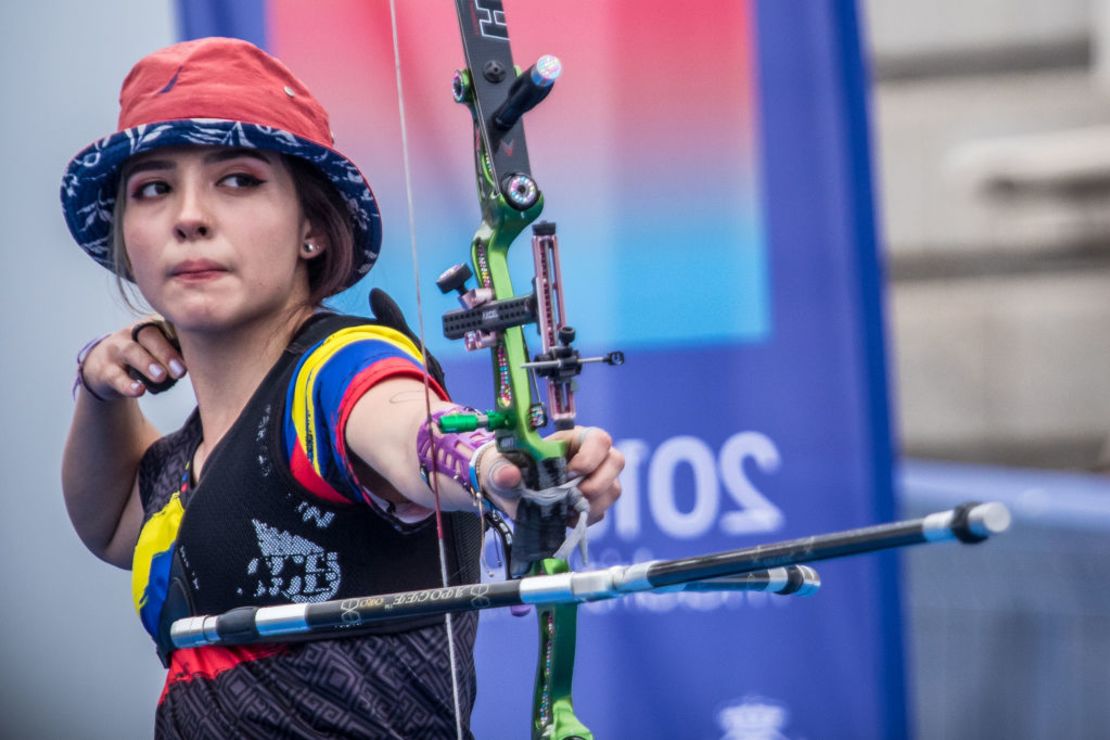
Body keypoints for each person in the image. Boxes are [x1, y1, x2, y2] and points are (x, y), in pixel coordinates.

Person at [60, 36, 623, 738]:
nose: (189, 216)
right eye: (153, 189)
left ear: (312, 232)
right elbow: (113, 521)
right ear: (127, 238)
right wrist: (100, 389)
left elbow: (405, 428)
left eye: (238, 179)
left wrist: (505, 471)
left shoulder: (339, 368)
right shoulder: (190, 455)